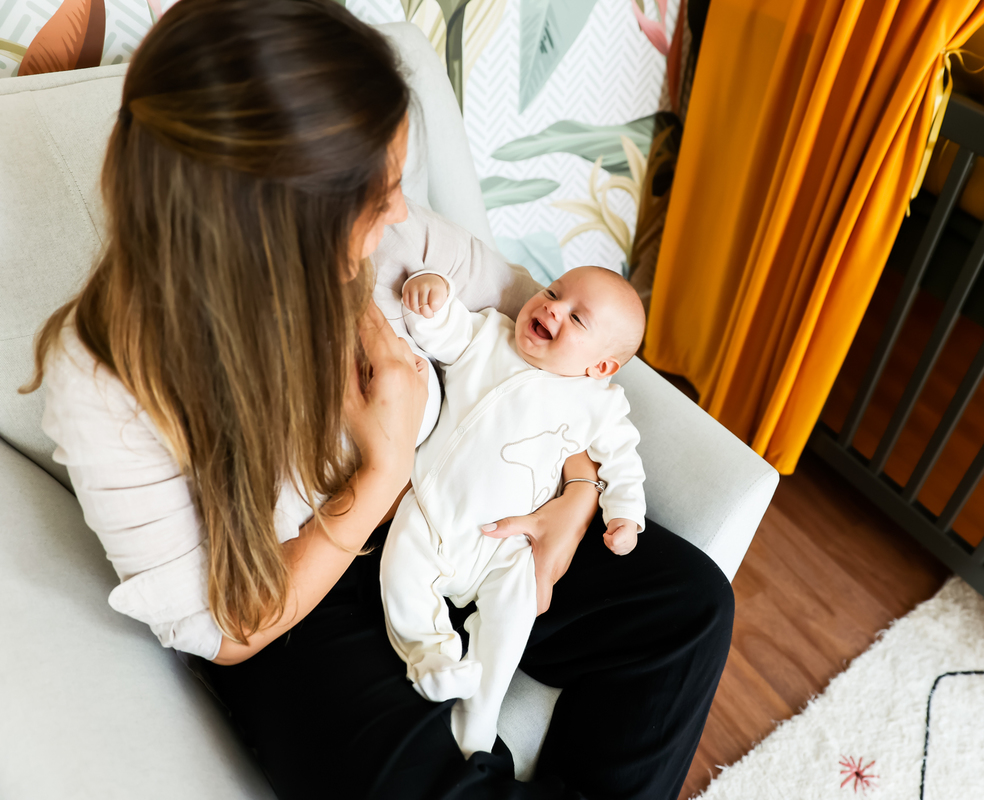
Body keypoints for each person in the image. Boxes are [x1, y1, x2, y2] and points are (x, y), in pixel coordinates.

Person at [24, 1, 734, 798]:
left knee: (688, 609)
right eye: (379, 193)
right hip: (297, 605)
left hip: (468, 508)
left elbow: (550, 348)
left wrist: (577, 491)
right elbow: (222, 628)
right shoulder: (108, 381)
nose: (400, 210)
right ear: (275, 224)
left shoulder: (397, 241)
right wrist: (383, 468)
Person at [383, 266, 648, 757]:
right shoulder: (488, 335)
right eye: (552, 292)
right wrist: (433, 293)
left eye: (577, 318)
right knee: (401, 571)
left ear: (600, 367)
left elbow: (623, 461)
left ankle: (480, 714)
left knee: (514, 616)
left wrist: (626, 514)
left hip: (509, 544)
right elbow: (441, 328)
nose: (552, 307)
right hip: (433, 510)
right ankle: (433, 657)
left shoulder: (600, 404)